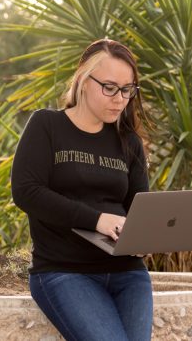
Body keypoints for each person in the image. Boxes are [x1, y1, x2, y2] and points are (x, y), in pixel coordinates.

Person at [11, 38, 153, 341]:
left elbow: (139, 205)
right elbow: (26, 191)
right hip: (64, 272)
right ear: (84, 81)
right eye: (110, 87)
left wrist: (145, 235)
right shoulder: (47, 126)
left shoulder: (129, 143)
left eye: (127, 90)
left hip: (128, 273)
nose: (120, 99)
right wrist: (97, 219)